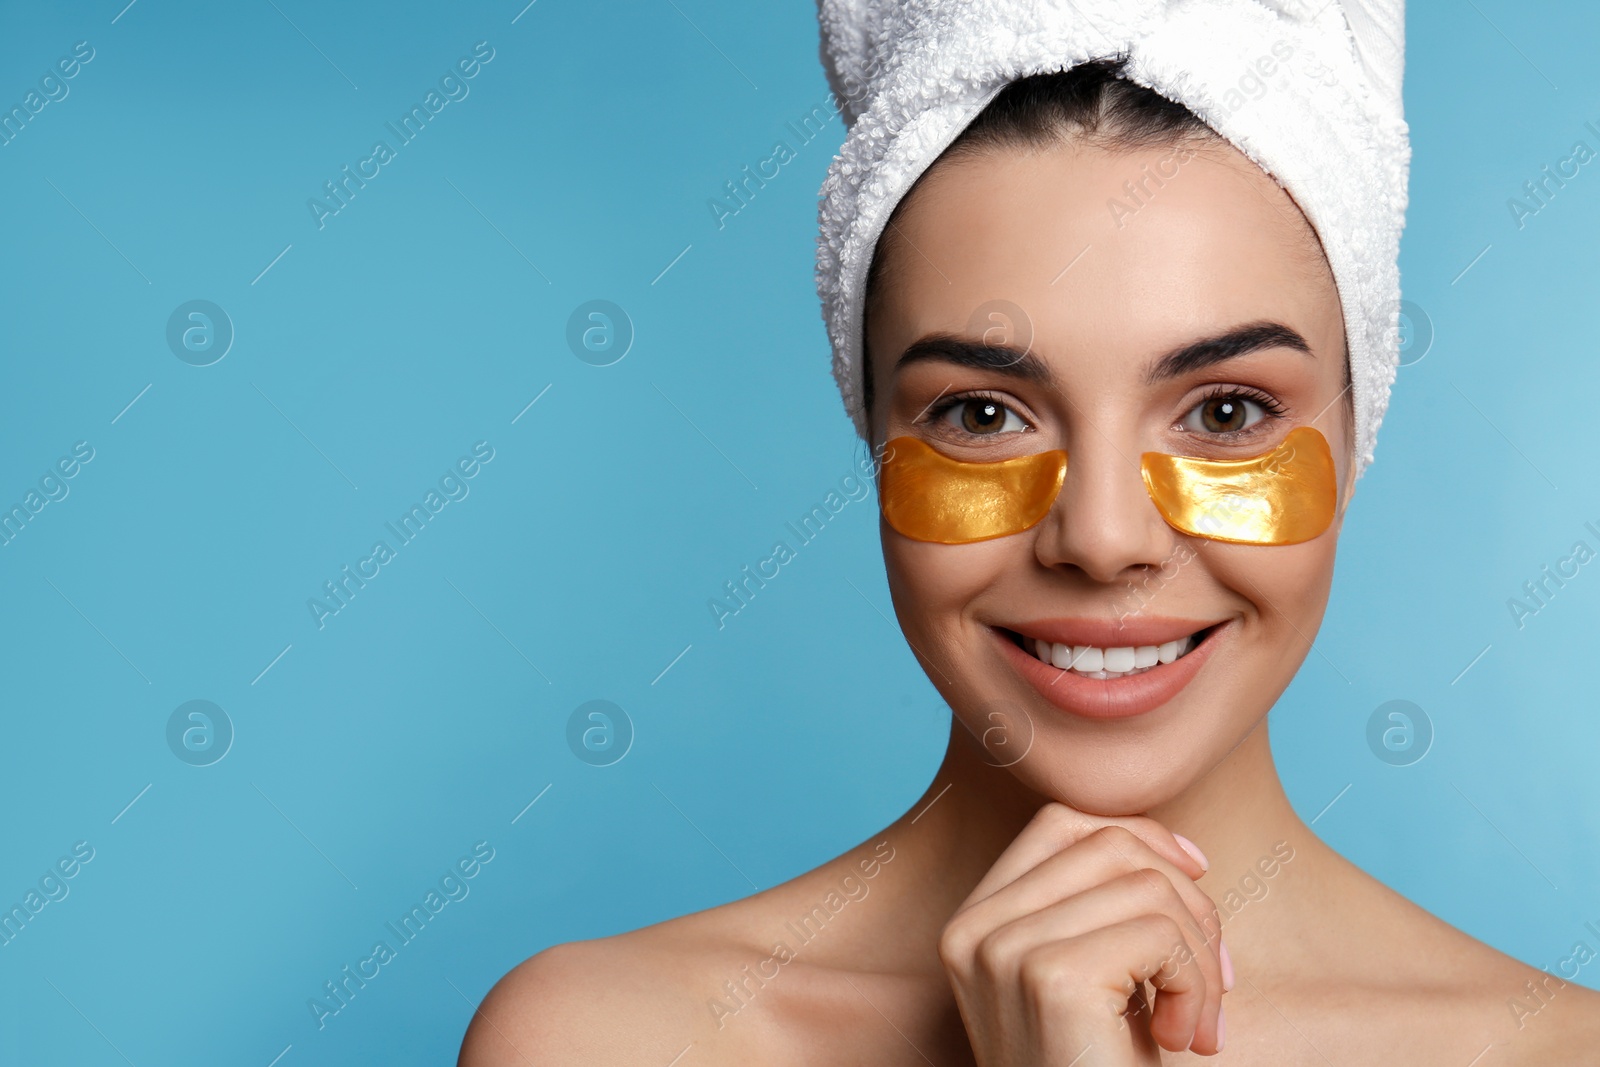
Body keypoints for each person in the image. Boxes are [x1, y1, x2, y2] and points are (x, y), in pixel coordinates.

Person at [460, 6, 1600, 1064]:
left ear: (1358, 435)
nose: (1102, 539)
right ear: (870, 433)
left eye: (1225, 412)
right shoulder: (608, 1038)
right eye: (981, 414)